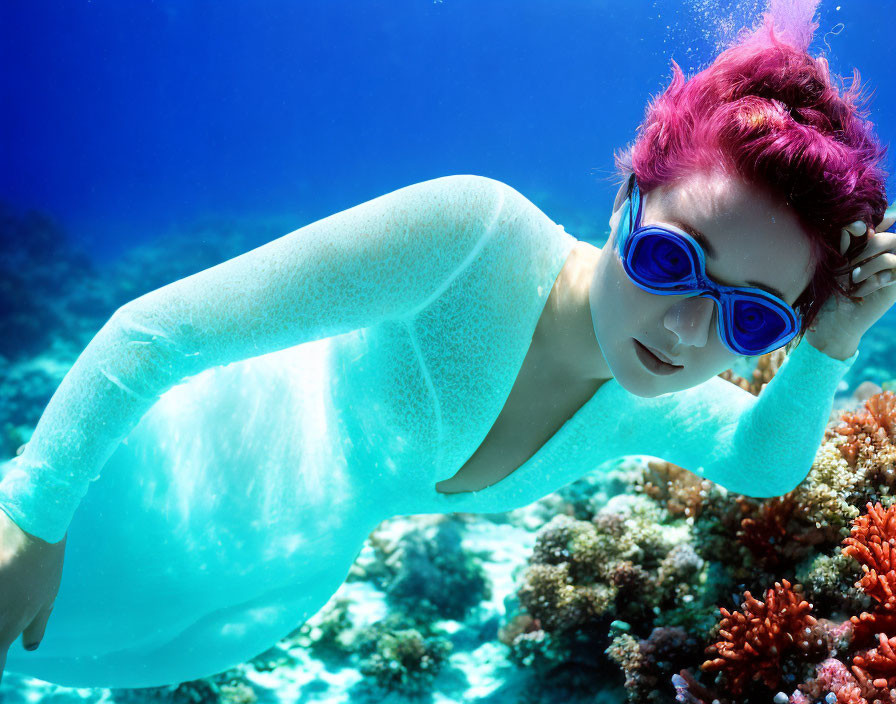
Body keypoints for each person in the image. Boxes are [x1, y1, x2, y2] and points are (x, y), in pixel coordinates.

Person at [1, 6, 894, 691]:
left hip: (260, 594)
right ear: (628, 200)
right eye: (671, 259)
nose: (686, 330)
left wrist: (832, 341)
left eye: (753, 320)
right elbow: (156, 333)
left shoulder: (641, 392)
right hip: (142, 493)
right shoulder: (474, 238)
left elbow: (760, 462)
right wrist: (33, 520)